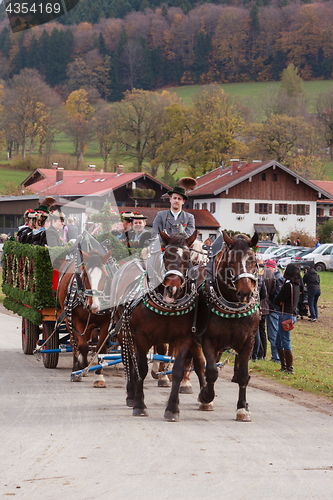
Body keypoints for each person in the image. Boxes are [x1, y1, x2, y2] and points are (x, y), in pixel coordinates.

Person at [273, 263, 301, 374]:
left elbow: (277, 299)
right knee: (278, 341)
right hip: (291, 315)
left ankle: (289, 368)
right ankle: (283, 366)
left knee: (285, 341)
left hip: (285, 316)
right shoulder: (296, 284)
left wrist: (280, 301)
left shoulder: (287, 285)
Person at [265, 259, 284, 362]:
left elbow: (276, 296)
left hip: (273, 310)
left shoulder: (276, 279)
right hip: (277, 310)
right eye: (266, 268)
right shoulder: (279, 277)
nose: (267, 270)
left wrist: (270, 304)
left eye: (268, 268)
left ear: (274, 268)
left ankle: (276, 357)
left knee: (273, 335)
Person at [251, 255, 267, 361]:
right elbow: (264, 294)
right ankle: (255, 355)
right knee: (256, 332)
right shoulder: (260, 277)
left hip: (247, 306)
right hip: (256, 306)